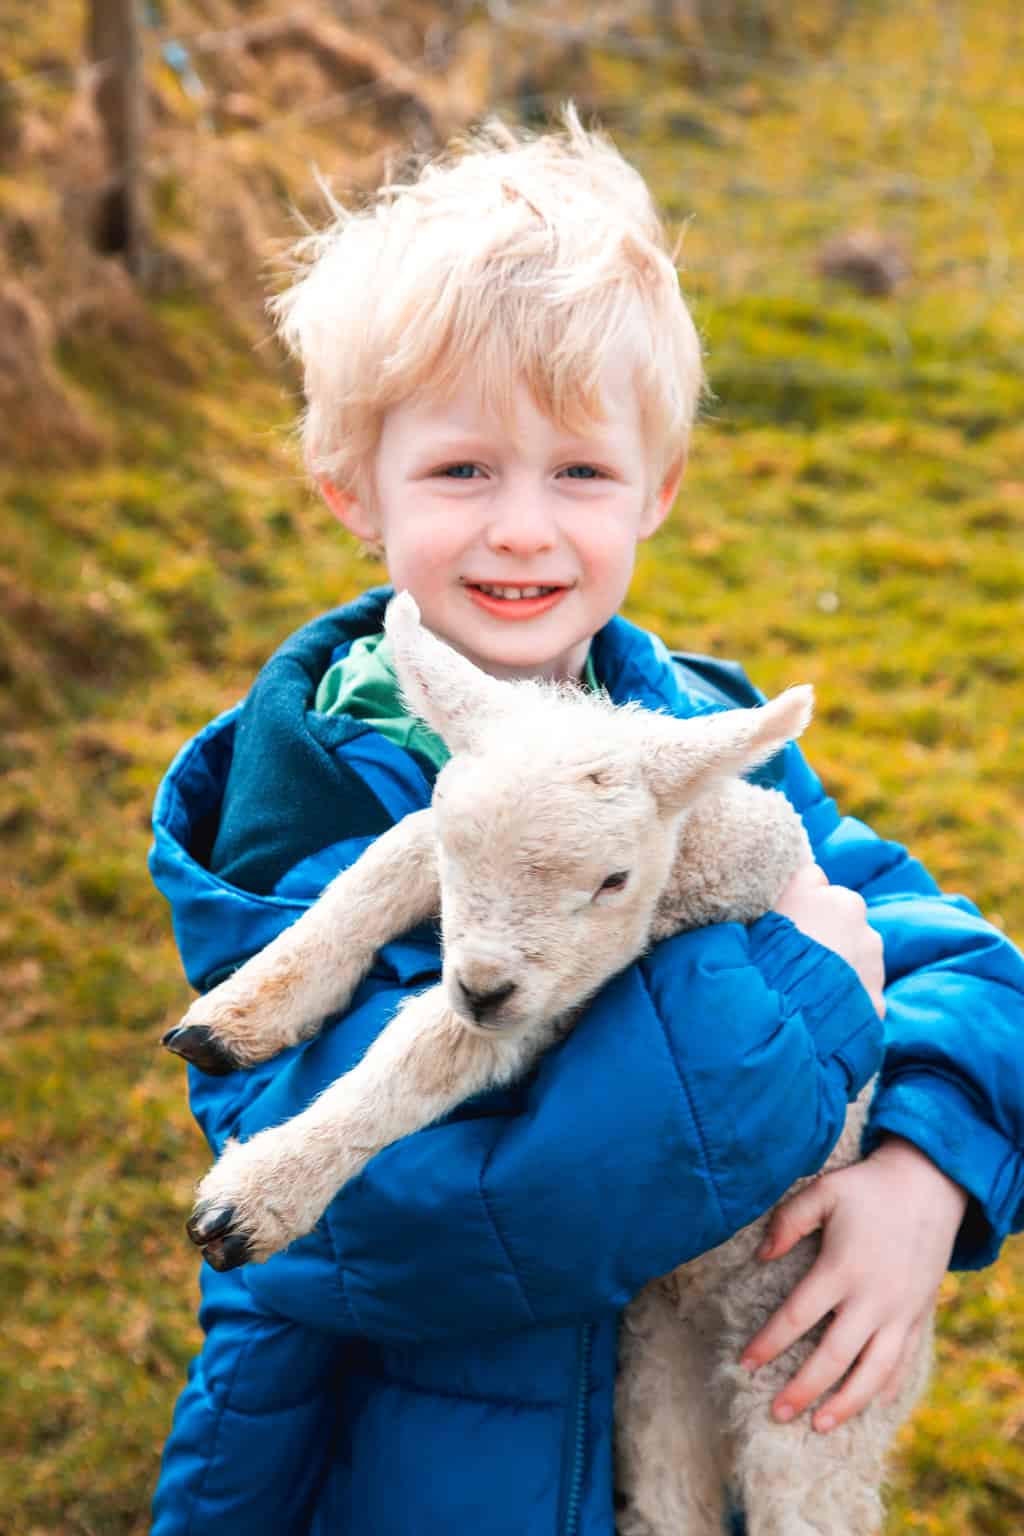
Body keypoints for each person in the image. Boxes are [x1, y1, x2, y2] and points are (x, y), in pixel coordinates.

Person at [149, 111, 1024, 1535]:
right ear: (349, 486)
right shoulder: (304, 799)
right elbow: (432, 1213)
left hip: (680, 1457)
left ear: (658, 491)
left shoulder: (679, 733)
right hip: (418, 1482)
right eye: (461, 470)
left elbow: (958, 959)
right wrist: (809, 983)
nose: (521, 529)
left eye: (580, 473)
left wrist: (927, 1169)